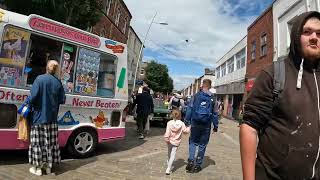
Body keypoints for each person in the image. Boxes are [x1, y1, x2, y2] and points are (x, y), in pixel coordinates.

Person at [240, 11, 320, 180]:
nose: (314, 37)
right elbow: (249, 127)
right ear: (296, 35)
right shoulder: (274, 73)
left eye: (319, 34)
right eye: (307, 32)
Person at [28, 60, 66, 176]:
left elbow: (32, 97)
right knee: (49, 144)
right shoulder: (58, 82)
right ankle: (48, 167)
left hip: (38, 118)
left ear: (46, 67)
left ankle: (37, 169)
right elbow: (62, 100)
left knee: (37, 144)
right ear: (56, 70)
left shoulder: (39, 79)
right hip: (52, 119)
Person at [184, 79, 219, 173]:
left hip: (195, 123)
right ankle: (198, 165)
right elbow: (215, 114)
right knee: (202, 144)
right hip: (206, 125)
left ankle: (191, 160)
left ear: (202, 85)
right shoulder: (213, 98)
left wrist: (186, 121)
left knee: (192, 142)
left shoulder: (195, 96)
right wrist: (216, 126)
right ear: (210, 86)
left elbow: (190, 109)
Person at [164, 109, 190, 175]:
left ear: (172, 115)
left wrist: (166, 139)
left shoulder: (169, 123)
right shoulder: (182, 123)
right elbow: (185, 131)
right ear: (180, 115)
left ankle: (168, 164)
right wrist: (189, 127)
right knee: (173, 155)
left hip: (169, 141)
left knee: (169, 153)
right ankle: (168, 168)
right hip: (176, 142)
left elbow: (167, 132)